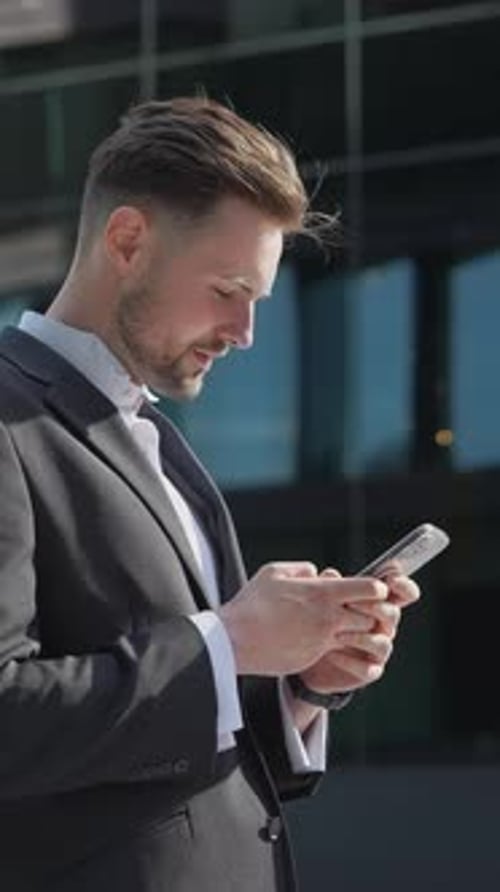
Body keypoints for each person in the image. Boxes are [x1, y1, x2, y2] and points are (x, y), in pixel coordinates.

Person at [0, 96, 419, 892]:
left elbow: (189, 746)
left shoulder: (160, 445)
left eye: (258, 299)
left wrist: (298, 680)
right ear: (128, 241)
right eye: (229, 290)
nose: (246, 331)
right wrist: (226, 645)